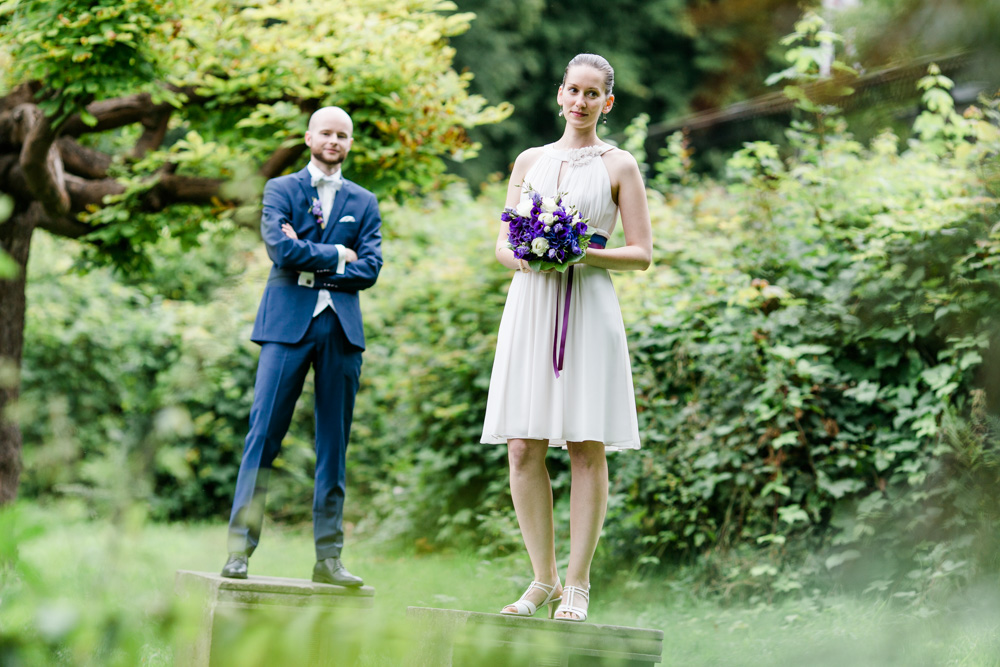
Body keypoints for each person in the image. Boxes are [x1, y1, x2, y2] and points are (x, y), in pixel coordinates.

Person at [480, 54, 652, 622]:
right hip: (531, 305)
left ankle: (577, 583)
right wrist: (525, 257)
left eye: (592, 93)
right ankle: (543, 578)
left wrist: (583, 252)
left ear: (608, 102)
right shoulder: (529, 160)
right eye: (572, 91)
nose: (580, 102)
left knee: (584, 443)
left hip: (587, 307)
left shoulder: (620, 165)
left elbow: (642, 253)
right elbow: (503, 243)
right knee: (523, 445)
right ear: (559, 94)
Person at [221, 106, 383, 587]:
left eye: (343, 135)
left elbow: (371, 268)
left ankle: (328, 560)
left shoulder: (365, 200)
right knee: (263, 437)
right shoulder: (281, 190)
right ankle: (238, 552)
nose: (334, 140)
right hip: (286, 326)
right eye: (327, 133)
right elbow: (280, 250)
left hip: (341, 331)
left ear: (349, 143)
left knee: (333, 446)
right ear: (310, 136)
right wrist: (337, 254)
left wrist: (310, 258)